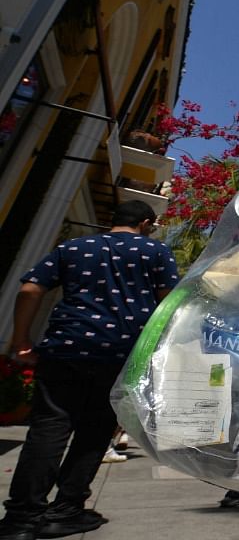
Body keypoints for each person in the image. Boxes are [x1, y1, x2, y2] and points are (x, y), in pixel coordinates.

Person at [0, 201, 179, 540]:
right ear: (145, 223)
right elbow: (168, 302)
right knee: (95, 431)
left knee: (48, 428)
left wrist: (20, 340)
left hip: (65, 347)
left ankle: (21, 519)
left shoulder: (73, 247)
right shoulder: (155, 251)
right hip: (121, 353)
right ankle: (66, 510)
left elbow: (30, 289)